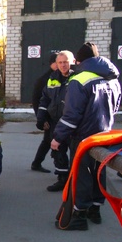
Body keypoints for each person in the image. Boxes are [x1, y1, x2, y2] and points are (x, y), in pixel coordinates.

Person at [51, 42, 121, 230]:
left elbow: (72, 114)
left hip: (83, 137)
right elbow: (115, 107)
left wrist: (58, 137)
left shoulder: (79, 79)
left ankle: (79, 215)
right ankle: (95, 210)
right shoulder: (112, 77)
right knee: (100, 172)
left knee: (82, 175)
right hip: (105, 134)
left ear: (79, 60)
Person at [36, 51, 75, 191]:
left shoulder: (77, 78)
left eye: (66, 62)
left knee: (75, 152)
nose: (63, 65)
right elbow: (45, 99)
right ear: (56, 64)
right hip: (55, 122)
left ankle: (75, 181)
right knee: (58, 151)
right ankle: (62, 179)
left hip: (73, 123)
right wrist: (41, 117)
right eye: (60, 62)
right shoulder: (52, 78)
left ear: (73, 62)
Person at [30, 53, 58, 173]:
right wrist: (41, 119)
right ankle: (37, 163)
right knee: (49, 139)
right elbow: (36, 101)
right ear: (52, 63)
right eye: (57, 62)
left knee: (48, 140)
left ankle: (36, 163)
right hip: (48, 116)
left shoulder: (62, 76)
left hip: (57, 115)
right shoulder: (44, 79)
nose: (61, 65)